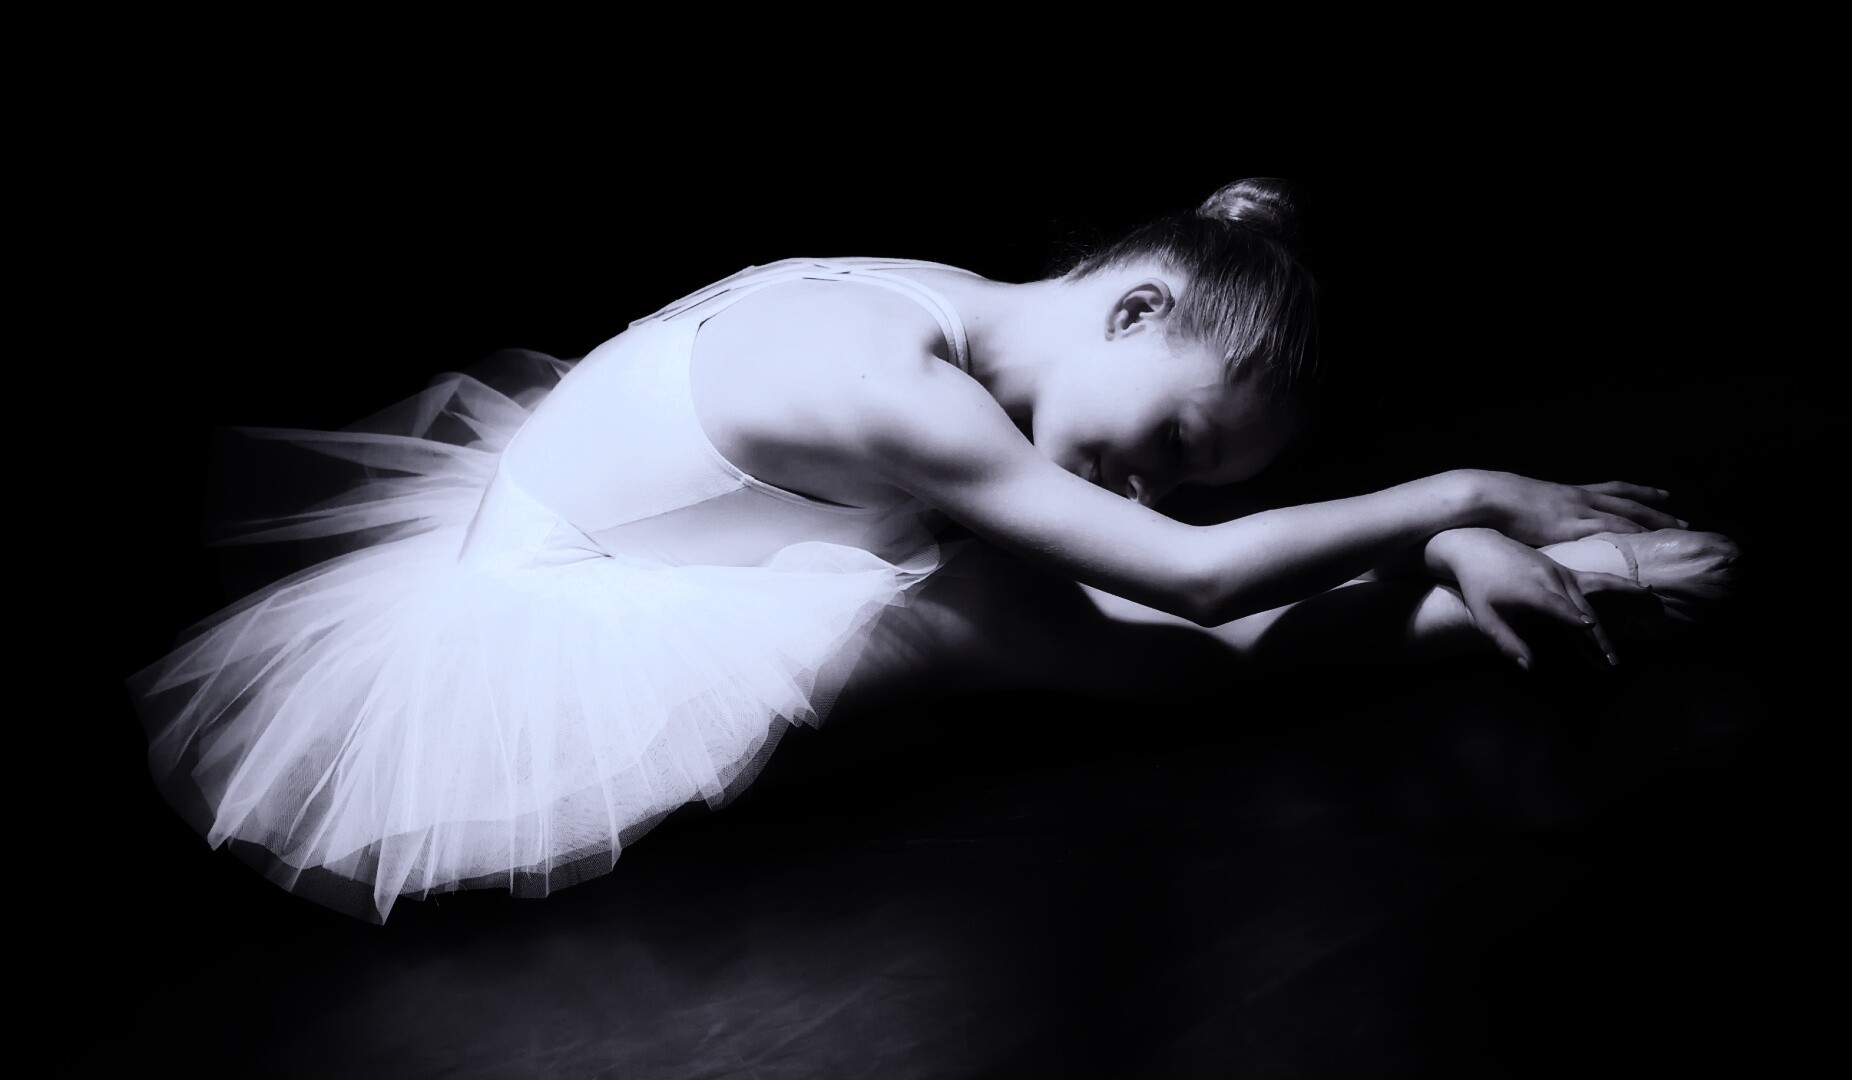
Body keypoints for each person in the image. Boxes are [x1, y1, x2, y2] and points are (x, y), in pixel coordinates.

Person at [127, 178, 1738, 923]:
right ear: (1136, 306)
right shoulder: (892, 381)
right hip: (542, 639)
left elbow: (1165, 550)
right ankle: (1519, 596)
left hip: (660, 532)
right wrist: (1467, 494)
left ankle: (1486, 599)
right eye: (1177, 442)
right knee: (1109, 642)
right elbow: (1189, 575)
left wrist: (1432, 525)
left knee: (1089, 621)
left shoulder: (960, 307)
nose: (1155, 482)